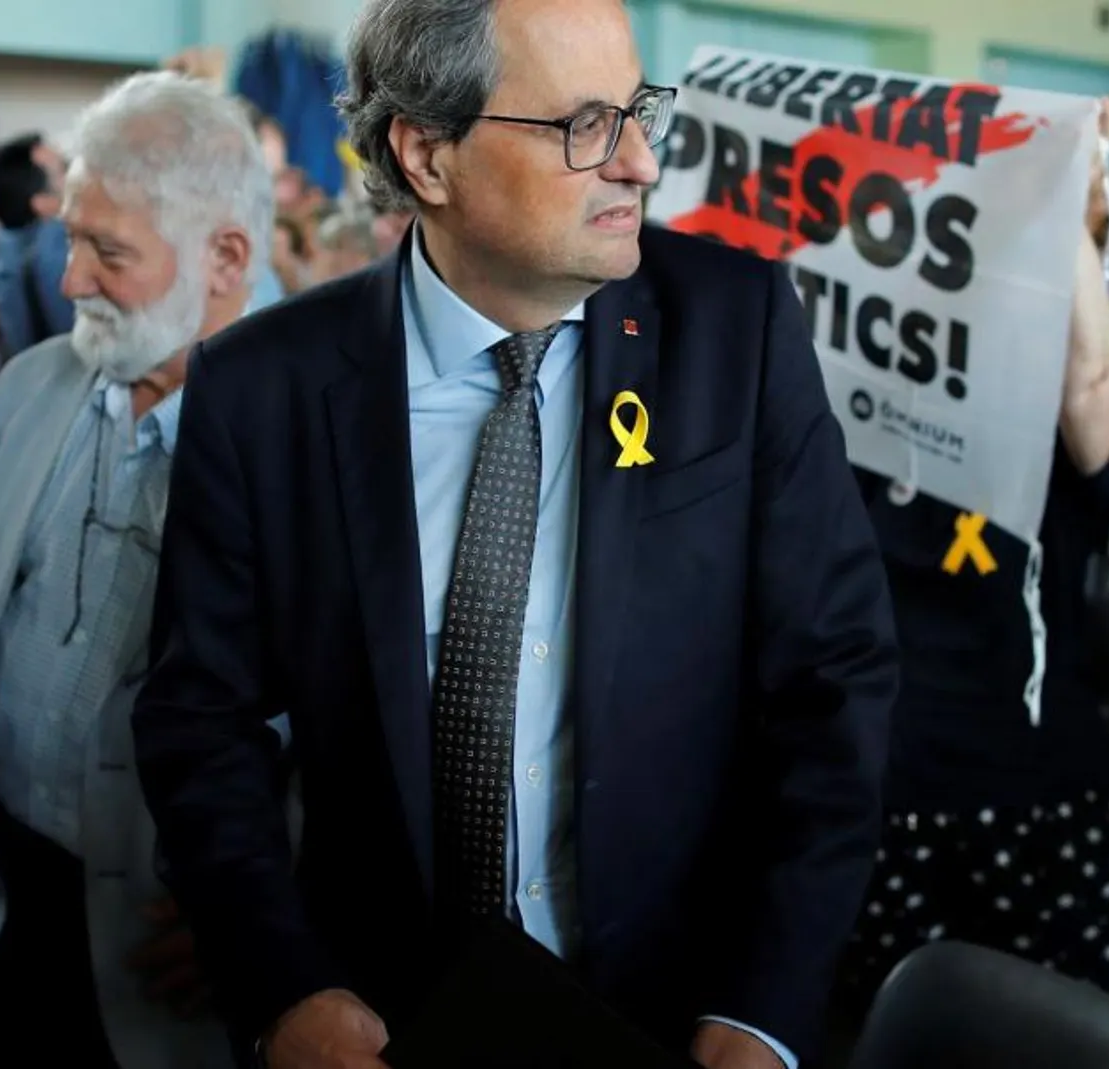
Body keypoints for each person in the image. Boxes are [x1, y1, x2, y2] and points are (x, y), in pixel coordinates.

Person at [131, 3, 897, 1069]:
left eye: (639, 112)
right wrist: (283, 983)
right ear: (428, 153)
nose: (637, 163)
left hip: (677, 1015)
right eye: (585, 125)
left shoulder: (736, 327)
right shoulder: (264, 389)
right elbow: (200, 721)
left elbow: (836, 679)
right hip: (384, 1021)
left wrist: (764, 1005)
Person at [0, 71, 272, 1068]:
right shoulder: (33, 382)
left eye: (108, 253)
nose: (68, 282)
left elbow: (372, 715)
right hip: (7, 892)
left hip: (166, 946)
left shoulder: (315, 431)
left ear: (226, 256)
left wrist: (275, 905)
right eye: (70, 239)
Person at [839, 110, 1109, 1009]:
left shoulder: (1048, 423)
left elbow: (1090, 384)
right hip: (886, 799)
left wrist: (1058, 184)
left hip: (1036, 798)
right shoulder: (837, 420)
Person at [0, 133, 74, 356]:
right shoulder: (56, 255)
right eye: (65, 168)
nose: (78, 175)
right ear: (42, 203)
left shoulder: (8, 250)